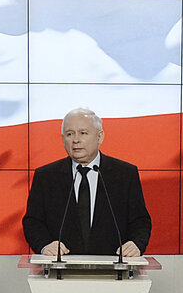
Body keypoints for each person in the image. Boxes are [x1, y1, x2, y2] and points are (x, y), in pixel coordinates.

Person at [23, 108, 151, 256]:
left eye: (83, 133)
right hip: (60, 268)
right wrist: (45, 245)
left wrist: (136, 244)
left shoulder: (125, 174)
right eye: (69, 134)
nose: (76, 140)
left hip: (113, 268)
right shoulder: (46, 176)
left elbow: (140, 221)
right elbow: (33, 222)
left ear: (99, 137)